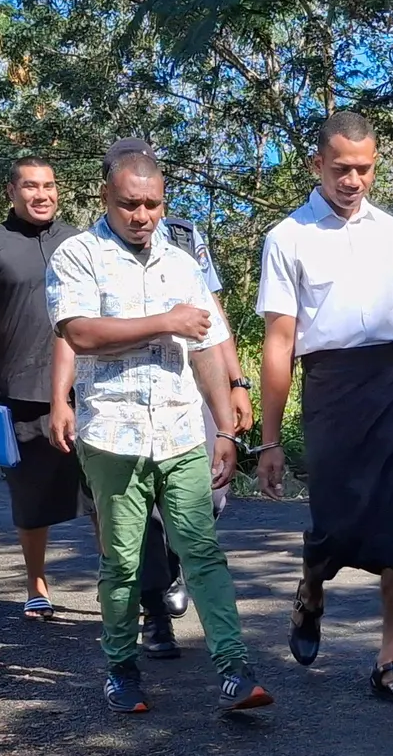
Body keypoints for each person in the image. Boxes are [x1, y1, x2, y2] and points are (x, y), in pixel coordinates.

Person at [48, 147, 269, 714]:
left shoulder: (182, 264)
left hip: (178, 431)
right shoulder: (79, 255)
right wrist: (165, 322)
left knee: (201, 551)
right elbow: (80, 333)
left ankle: (234, 670)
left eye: (152, 204)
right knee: (122, 561)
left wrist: (225, 428)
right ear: (105, 198)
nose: (142, 215)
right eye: (129, 204)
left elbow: (205, 350)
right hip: (113, 436)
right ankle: (121, 669)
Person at [255, 110, 393, 704]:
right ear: (317, 165)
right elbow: (279, 340)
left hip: (391, 385)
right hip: (329, 387)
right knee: (335, 523)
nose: (352, 180)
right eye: (340, 169)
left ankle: (388, 662)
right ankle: (310, 589)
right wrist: (271, 440)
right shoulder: (288, 237)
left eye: (363, 169)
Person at [0, 156, 86, 619]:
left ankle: (123, 584)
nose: (42, 194)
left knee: (107, 495)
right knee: (32, 497)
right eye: (30, 186)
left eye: (49, 185)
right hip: (20, 392)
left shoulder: (80, 241)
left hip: (85, 391)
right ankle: (36, 583)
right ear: (11, 192)